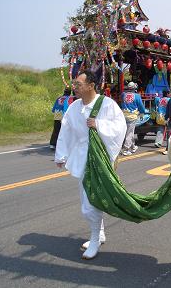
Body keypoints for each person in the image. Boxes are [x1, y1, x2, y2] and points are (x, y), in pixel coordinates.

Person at [55, 70, 127, 260]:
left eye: (78, 84)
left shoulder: (107, 104)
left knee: (90, 201)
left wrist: (99, 124)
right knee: (87, 197)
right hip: (81, 157)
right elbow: (66, 130)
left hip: (100, 159)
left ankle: (95, 238)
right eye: (74, 83)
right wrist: (61, 155)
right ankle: (99, 233)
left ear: (91, 85)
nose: (74, 87)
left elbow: (120, 128)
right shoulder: (74, 107)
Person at [121, 82, 146, 156]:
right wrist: (142, 113)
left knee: (129, 132)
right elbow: (141, 106)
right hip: (132, 116)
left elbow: (122, 103)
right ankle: (126, 149)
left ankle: (133, 147)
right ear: (134, 88)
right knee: (129, 133)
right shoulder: (137, 96)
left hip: (124, 115)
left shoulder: (123, 95)